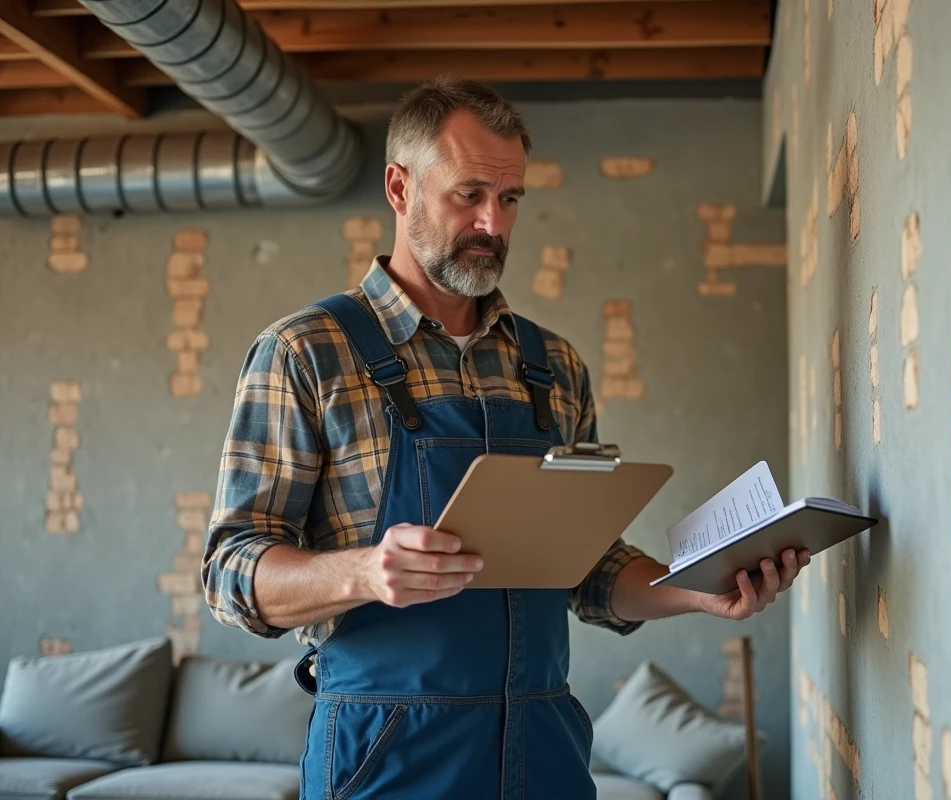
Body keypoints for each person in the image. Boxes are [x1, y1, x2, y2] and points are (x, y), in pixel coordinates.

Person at [202, 75, 811, 800]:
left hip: (544, 752)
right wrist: (363, 574)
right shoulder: (305, 353)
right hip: (385, 758)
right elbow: (229, 572)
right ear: (399, 188)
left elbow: (587, 569)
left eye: (511, 197)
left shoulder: (554, 366)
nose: (493, 223)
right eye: (469, 195)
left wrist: (698, 592)